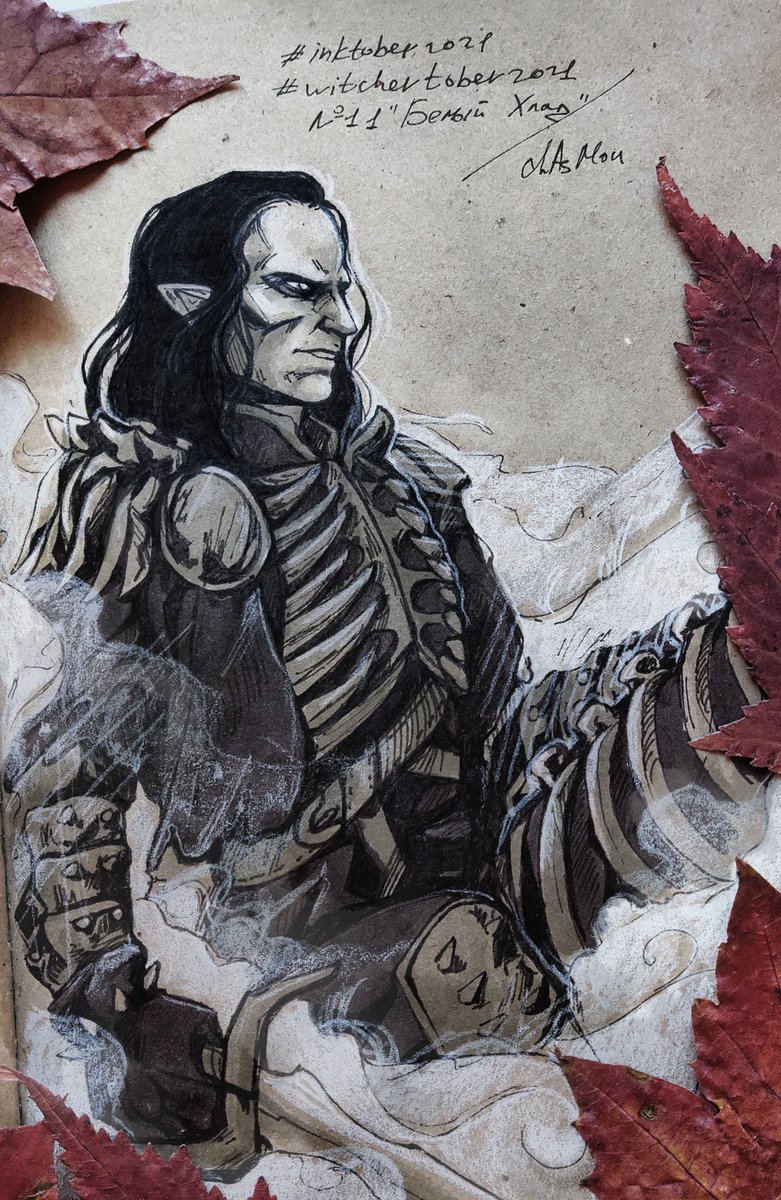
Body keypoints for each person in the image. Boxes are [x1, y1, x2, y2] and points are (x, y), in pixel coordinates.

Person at [6, 171, 765, 1149]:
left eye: (339, 290)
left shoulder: (410, 483)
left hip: (495, 843)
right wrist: (114, 1001)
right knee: (466, 969)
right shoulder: (149, 506)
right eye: (295, 291)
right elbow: (66, 778)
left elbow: (501, 710)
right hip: (310, 921)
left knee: (730, 677)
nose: (338, 320)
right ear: (193, 304)